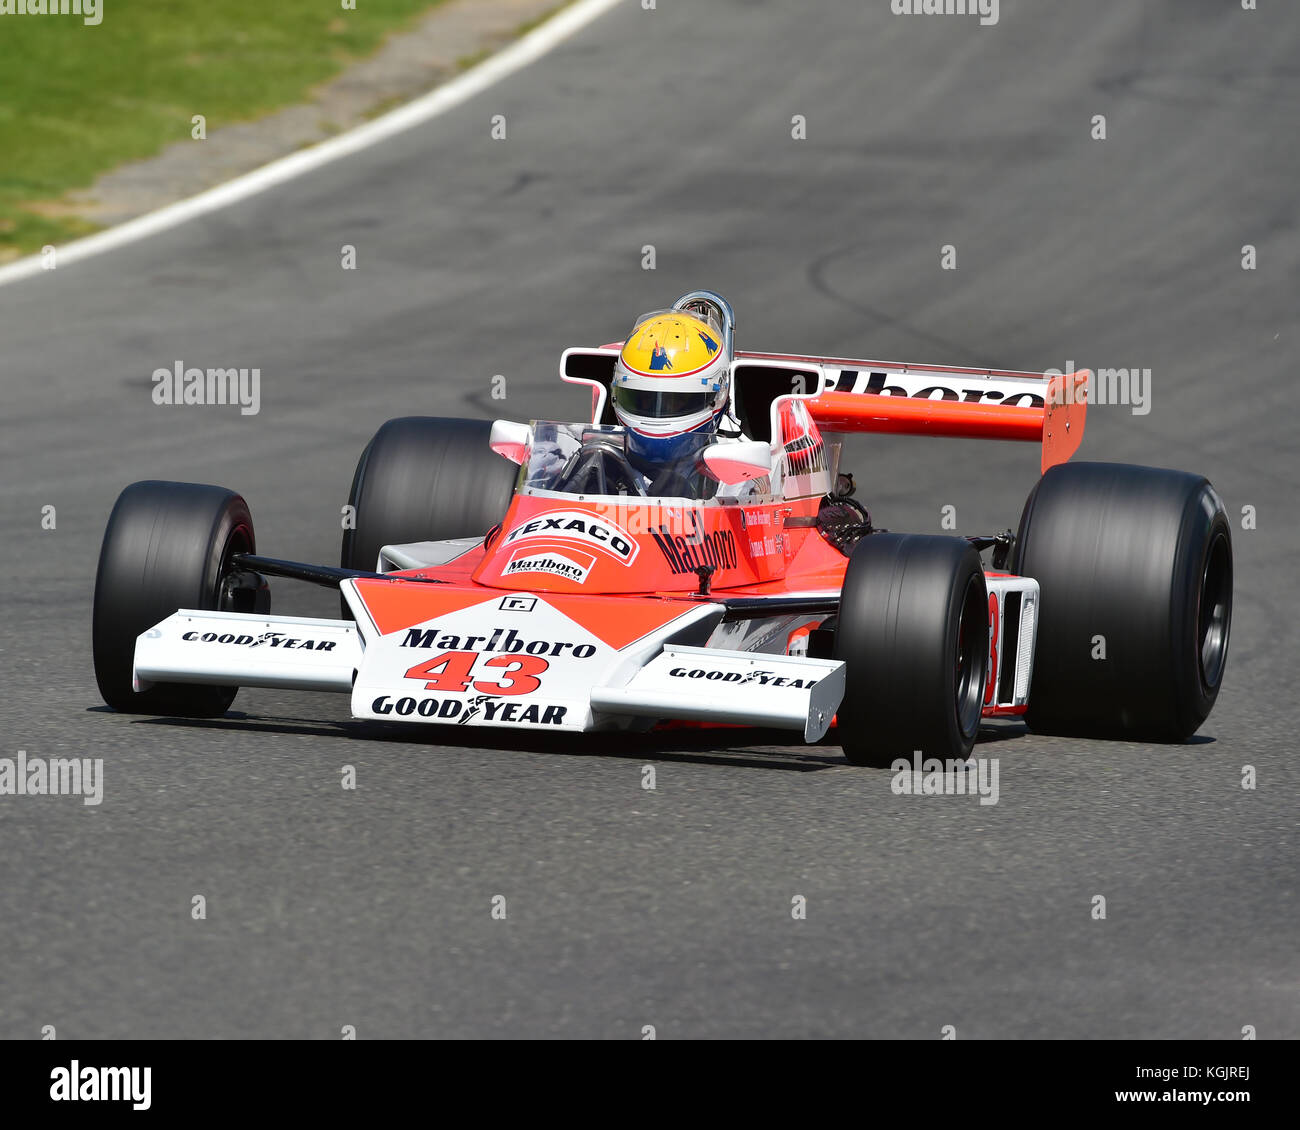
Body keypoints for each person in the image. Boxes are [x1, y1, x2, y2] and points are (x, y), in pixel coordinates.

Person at [609, 304, 742, 494]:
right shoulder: (605, 457)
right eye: (643, 400)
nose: (657, 414)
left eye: (677, 402)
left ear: (719, 396)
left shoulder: (739, 474)